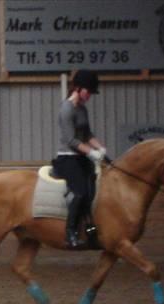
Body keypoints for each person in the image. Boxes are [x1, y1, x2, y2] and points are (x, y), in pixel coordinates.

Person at [54, 69, 107, 249]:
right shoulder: (66, 108)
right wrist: (91, 153)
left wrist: (100, 147)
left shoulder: (82, 108)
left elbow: (87, 134)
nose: (90, 95)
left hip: (82, 157)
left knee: (92, 194)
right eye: (88, 91)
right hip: (68, 158)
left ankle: (91, 233)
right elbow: (71, 140)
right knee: (80, 192)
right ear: (78, 88)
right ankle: (70, 233)